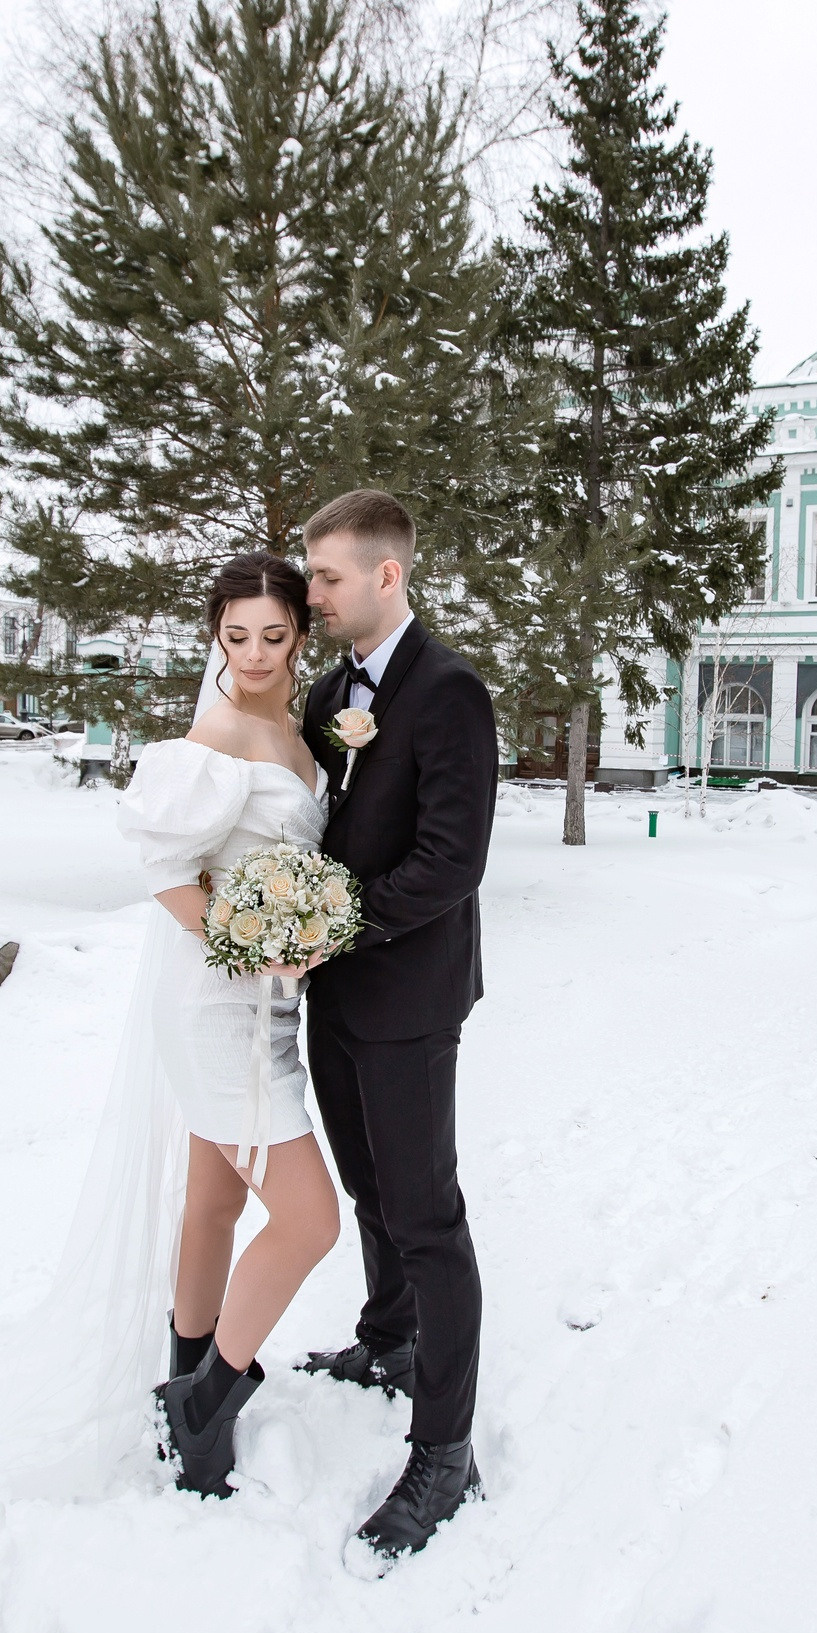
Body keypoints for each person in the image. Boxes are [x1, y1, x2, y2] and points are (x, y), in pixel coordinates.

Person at [296, 489, 499, 1565]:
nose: (312, 592)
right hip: (330, 990)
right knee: (369, 1189)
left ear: (385, 575)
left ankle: (447, 1450)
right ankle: (388, 1341)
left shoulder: (450, 691)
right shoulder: (332, 690)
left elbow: (451, 859)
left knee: (426, 1215)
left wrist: (333, 926)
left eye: (326, 576)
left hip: (410, 994)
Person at [114, 552, 343, 1498]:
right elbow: (165, 867)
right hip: (222, 1008)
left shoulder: (292, 728)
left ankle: (185, 1368)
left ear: (300, 632)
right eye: (234, 635)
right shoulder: (217, 732)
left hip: (266, 1005)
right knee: (310, 1219)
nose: (252, 654)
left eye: (273, 635)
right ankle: (205, 1406)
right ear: (217, 634)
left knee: (213, 1201)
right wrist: (253, 944)